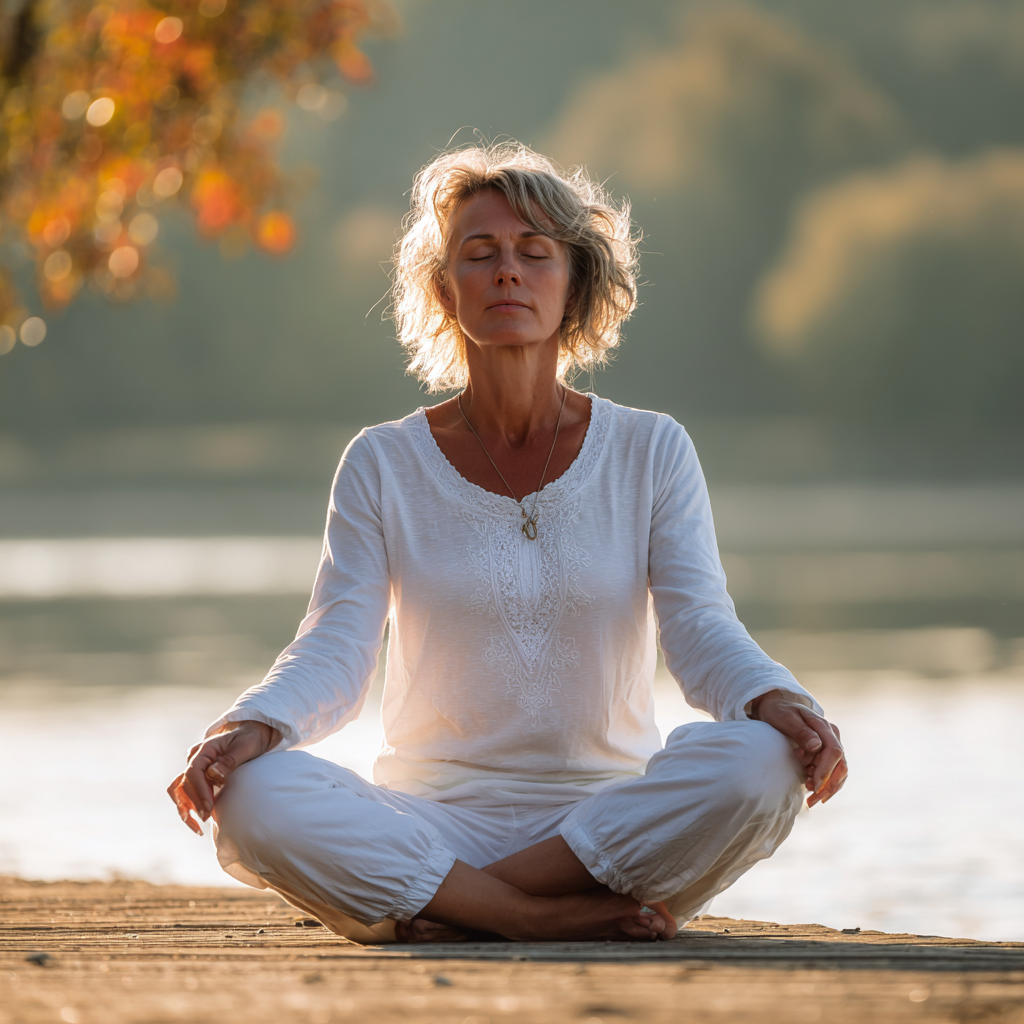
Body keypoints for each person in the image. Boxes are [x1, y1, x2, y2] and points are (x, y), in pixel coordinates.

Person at [168, 141, 847, 944]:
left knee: (763, 765)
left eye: (535, 252)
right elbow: (335, 650)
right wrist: (248, 727)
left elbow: (701, 628)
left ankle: (452, 909)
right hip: (429, 821)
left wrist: (782, 703)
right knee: (251, 797)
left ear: (576, 282)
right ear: (444, 287)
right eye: (479, 254)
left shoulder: (651, 450)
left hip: (606, 830)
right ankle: (532, 916)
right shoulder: (382, 462)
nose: (507, 273)